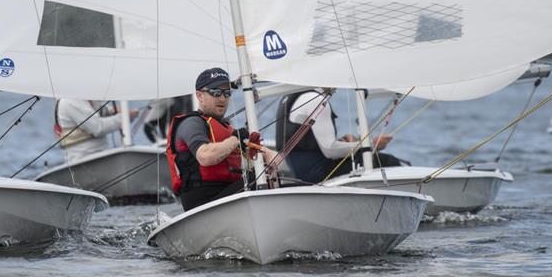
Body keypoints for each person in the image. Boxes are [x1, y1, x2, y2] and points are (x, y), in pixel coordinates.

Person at [166, 67, 276, 211]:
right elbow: (205, 157)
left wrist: (266, 156)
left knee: (264, 177)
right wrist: (234, 140)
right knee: (255, 180)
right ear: (200, 96)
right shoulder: (191, 123)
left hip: (228, 194)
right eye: (216, 92)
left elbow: (275, 158)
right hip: (202, 203)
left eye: (227, 93)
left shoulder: (227, 129)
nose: (223, 98)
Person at [275, 89, 404, 184]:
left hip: (302, 172)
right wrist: (370, 145)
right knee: (388, 161)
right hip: (319, 174)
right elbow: (330, 150)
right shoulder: (315, 99)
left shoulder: (293, 96)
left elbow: (311, 144)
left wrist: (343, 142)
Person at [54, 99, 139, 164]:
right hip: (81, 161)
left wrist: (118, 110)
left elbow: (103, 110)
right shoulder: (69, 101)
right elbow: (98, 128)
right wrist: (124, 117)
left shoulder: (87, 98)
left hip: (103, 157)